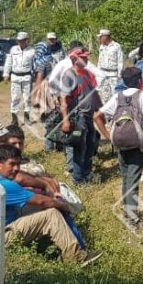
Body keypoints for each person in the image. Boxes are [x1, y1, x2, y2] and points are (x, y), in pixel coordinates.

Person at [0, 144, 101, 264]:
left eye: (18, 164)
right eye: (11, 164)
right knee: (52, 214)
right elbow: (41, 201)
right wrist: (64, 206)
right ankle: (77, 258)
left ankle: (72, 246)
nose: (16, 168)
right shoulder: (5, 185)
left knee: (45, 207)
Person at [95, 67, 143, 226]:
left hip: (120, 142)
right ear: (140, 81)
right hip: (137, 143)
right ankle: (132, 218)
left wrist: (108, 136)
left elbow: (97, 116)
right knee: (133, 180)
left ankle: (128, 212)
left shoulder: (117, 97)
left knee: (126, 178)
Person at [59, 47, 102, 184]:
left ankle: (87, 174)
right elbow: (63, 99)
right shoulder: (69, 75)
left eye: (86, 57)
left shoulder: (88, 74)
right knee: (79, 146)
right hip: (78, 118)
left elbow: (94, 94)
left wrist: (100, 110)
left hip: (89, 116)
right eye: (83, 57)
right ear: (74, 59)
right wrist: (65, 120)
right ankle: (78, 178)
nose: (86, 59)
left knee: (90, 145)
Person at [4, 31, 36, 126]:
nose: (20, 42)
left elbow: (35, 64)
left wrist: (35, 76)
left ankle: (26, 118)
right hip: (15, 77)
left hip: (27, 77)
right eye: (19, 40)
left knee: (27, 98)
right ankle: (14, 120)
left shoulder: (32, 51)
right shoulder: (13, 49)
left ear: (27, 40)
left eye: (22, 40)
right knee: (15, 98)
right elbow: (9, 62)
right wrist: (6, 74)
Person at [97, 28, 125, 103]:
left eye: (101, 37)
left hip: (113, 75)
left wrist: (119, 75)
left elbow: (120, 61)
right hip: (103, 74)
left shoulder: (116, 46)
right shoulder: (101, 46)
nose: (100, 39)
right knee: (104, 96)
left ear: (106, 36)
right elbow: (99, 60)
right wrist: (98, 74)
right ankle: (106, 109)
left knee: (115, 95)